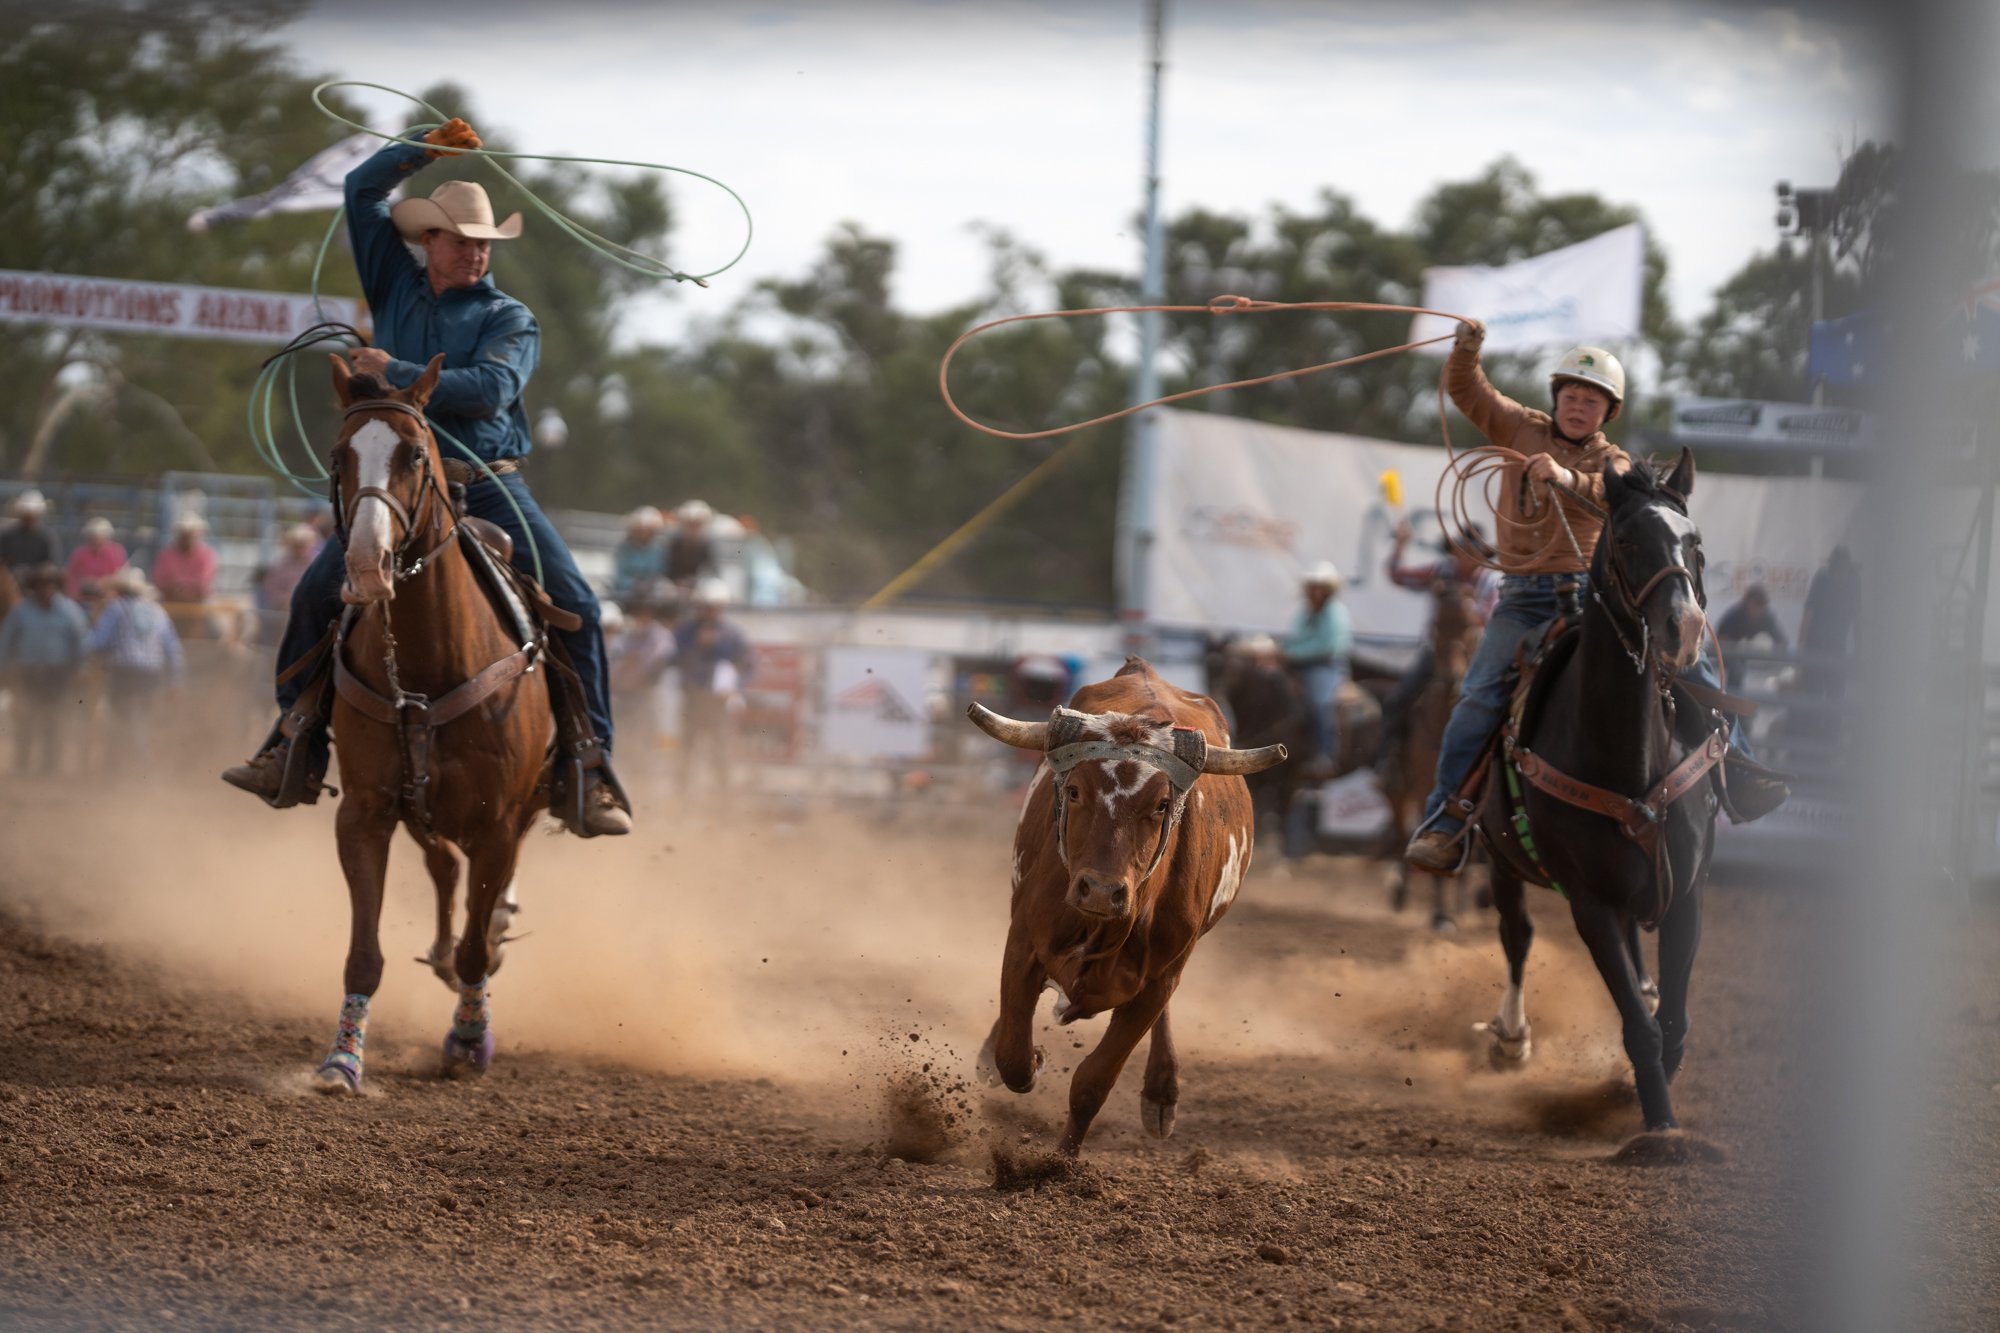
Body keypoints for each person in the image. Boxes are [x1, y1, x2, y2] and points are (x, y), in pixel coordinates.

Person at [219, 115, 630, 836]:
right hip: (402, 485)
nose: (474, 252)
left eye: (483, 243)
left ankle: (587, 768)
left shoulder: (511, 317)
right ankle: (295, 739)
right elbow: (360, 186)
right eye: (461, 240)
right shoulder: (394, 282)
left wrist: (393, 370)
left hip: (489, 484)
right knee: (317, 591)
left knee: (578, 605)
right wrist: (423, 149)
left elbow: (488, 392)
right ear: (428, 241)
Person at [1404, 324, 1787, 873]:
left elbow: (1614, 497)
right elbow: (1467, 391)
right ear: (1555, 397)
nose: (1579, 407)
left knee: (1691, 662)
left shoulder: (1619, 464)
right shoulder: (1517, 426)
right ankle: (1446, 822)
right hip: (1522, 600)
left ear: (1608, 413)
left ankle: (1744, 772)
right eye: (1572, 396)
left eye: (1591, 400)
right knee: (1479, 693)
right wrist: (1467, 349)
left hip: (1594, 597)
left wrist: (1565, 477)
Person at [1374, 519, 1500, 774]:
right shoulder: (1440, 572)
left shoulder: (1490, 582)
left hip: (1476, 655)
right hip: (1436, 653)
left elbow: (1488, 617)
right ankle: (1390, 760)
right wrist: (1400, 545)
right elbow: (1399, 576)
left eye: (1471, 551)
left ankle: (1497, 762)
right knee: (1399, 699)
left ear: (1481, 555)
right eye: (1460, 550)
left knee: (1499, 702)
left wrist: (1459, 601)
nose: (1464, 556)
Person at [83, 566, 183, 772]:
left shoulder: (116, 608)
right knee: (141, 719)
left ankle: (123, 769)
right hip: (151, 674)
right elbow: (173, 648)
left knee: (121, 719)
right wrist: (176, 681)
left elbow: (98, 642)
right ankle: (140, 768)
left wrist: (86, 651)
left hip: (124, 672)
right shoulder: (157, 611)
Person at [0, 564, 88, 776]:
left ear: (57, 586)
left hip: (57, 674)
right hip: (27, 673)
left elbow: (81, 642)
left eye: (49, 584)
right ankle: (23, 764)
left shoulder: (70, 611)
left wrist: (82, 668)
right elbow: (6, 641)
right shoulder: (20, 612)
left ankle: (50, 766)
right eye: (40, 584)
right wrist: (3, 668)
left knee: (54, 720)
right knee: (25, 719)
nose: (45, 589)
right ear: (34, 587)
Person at [673, 578, 753, 793]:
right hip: (693, 699)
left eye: (714, 607)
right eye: (706, 607)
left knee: (721, 754)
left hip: (719, 703)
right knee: (686, 752)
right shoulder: (686, 631)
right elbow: (676, 659)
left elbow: (748, 665)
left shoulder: (733, 634)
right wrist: (696, 646)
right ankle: (681, 797)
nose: (710, 612)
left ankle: (724, 799)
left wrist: (736, 687)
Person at [1282, 560, 1352, 776]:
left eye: (1320, 586)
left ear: (1329, 590)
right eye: (1313, 586)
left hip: (1326, 666)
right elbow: (1295, 638)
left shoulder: (1335, 612)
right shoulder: (1306, 613)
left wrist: (1291, 653)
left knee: (1320, 702)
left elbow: (1328, 646)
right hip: (1300, 665)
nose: (1316, 591)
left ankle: (1326, 755)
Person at [1714, 584, 1789, 692]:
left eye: (1761, 604)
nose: (1758, 608)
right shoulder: (1735, 614)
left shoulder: (1766, 617)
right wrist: (1738, 648)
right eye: (1756, 603)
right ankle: (1733, 703)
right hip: (1731, 658)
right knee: (1737, 669)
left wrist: (1764, 650)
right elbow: (1719, 639)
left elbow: (1782, 641)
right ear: (1747, 602)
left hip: (1756, 665)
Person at [255, 525, 322, 643]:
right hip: (284, 609)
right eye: (296, 544)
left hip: (311, 609)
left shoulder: (317, 565)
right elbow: (271, 588)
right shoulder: (281, 564)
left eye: (302, 544)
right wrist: (285, 601)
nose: (299, 548)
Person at [151, 516, 218, 604]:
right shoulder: (166, 555)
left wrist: (180, 586)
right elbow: (159, 581)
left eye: (190, 534)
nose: (187, 538)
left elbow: (203, 584)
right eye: (184, 533)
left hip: (199, 602)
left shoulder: (207, 555)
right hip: (169, 600)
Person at [611, 506, 667, 609]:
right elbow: (620, 575)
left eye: (648, 531)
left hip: (650, 588)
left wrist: (647, 584)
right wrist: (633, 585)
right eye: (640, 530)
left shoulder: (658, 549)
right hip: (626, 590)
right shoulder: (623, 548)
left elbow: (659, 571)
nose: (644, 534)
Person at [65, 517, 127, 601]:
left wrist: (104, 584)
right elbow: (71, 576)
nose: (93, 541)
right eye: (91, 537)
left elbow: (120, 577)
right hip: (84, 597)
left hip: (108, 597)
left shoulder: (116, 552)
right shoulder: (80, 553)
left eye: (96, 538)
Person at [0, 491, 61, 576]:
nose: (29, 520)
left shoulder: (47, 536)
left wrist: (36, 572)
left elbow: (52, 563)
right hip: (11, 579)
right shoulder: (7, 535)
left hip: (37, 582)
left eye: (32, 517)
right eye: (26, 516)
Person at [665, 499, 719, 591]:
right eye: (689, 524)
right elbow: (668, 569)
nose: (693, 528)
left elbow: (712, 570)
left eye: (697, 524)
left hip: (701, 584)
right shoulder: (675, 543)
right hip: (675, 584)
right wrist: (677, 582)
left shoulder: (708, 544)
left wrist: (695, 582)